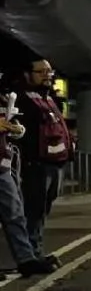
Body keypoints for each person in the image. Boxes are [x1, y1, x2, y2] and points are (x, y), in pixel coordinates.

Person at [11, 59, 73, 267]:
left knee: (42, 209)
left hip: (55, 163)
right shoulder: (21, 98)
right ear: (29, 74)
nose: (48, 75)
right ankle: (31, 256)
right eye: (42, 71)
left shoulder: (48, 98)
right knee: (33, 210)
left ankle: (35, 253)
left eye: (50, 71)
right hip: (36, 164)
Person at [0, 95, 53, 276]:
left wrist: (16, 128)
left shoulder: (4, 99)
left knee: (15, 215)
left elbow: (17, 127)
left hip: (3, 166)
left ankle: (26, 260)